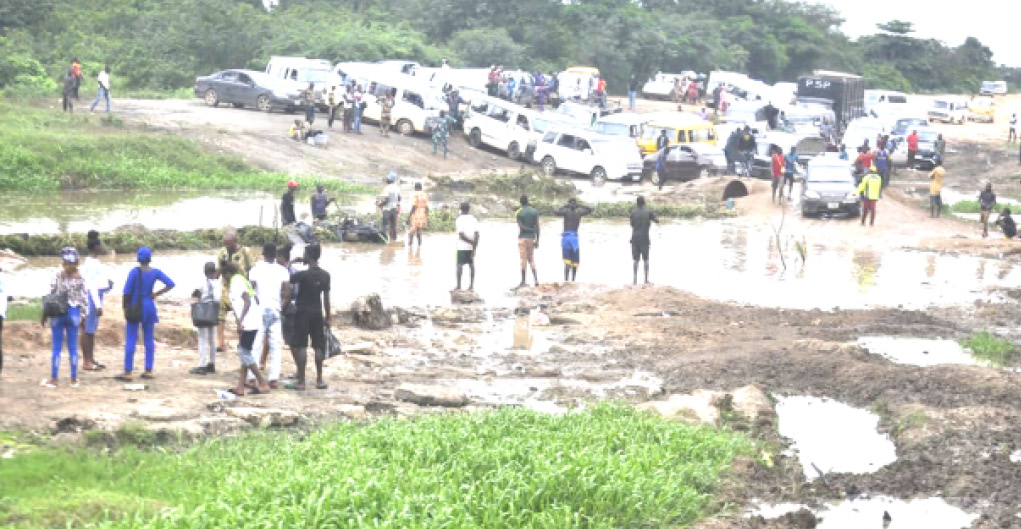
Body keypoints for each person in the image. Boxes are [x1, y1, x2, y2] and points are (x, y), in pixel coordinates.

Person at [116, 246, 175, 382]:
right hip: (149, 307)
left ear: (138, 259)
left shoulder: (134, 273)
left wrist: (125, 307)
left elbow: (126, 292)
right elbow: (171, 284)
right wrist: (156, 294)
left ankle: (128, 371)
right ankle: (148, 370)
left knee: (131, 338)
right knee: (149, 339)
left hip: (135, 306)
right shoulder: (155, 272)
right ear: (150, 259)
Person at [40, 247, 88, 388]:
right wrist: (84, 318)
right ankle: (73, 379)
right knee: (73, 347)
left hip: (57, 313)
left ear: (63, 262)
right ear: (77, 262)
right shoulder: (81, 278)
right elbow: (84, 299)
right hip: (73, 312)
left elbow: (49, 294)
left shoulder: (57, 275)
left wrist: (44, 314)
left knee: (56, 347)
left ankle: (54, 379)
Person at [222, 261, 271, 396]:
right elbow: (256, 299)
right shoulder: (243, 279)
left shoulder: (236, 281)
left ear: (227, 274)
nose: (223, 279)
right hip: (253, 320)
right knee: (245, 352)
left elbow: (247, 301)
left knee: (244, 352)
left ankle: (262, 382)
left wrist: (240, 321)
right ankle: (240, 386)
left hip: (248, 322)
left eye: (223, 276)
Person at [248, 244, 292, 389]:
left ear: (263, 253)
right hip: (275, 311)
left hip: (259, 310)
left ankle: (251, 377)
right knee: (275, 345)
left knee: (256, 344)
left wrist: (254, 305)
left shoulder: (255, 269)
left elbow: (250, 290)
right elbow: (287, 293)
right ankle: (273, 378)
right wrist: (281, 307)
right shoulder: (282, 270)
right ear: (275, 255)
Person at [288, 244, 331, 391]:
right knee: (318, 346)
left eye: (305, 254)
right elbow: (326, 298)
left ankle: (301, 381)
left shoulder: (303, 275)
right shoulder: (325, 275)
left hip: (302, 313)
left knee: (301, 346)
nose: (303, 257)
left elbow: (287, 277)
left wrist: (292, 262)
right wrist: (328, 316)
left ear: (308, 256)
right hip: (317, 313)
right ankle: (319, 379)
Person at [216, 231, 255, 353]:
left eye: (229, 244)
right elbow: (218, 271)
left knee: (240, 316)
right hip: (225, 288)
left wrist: (250, 288)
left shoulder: (245, 252)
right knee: (220, 316)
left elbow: (252, 270)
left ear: (235, 242)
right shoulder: (222, 253)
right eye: (225, 244)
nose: (227, 247)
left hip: (239, 288)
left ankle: (241, 342)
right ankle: (221, 343)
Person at [80, 231, 112, 372]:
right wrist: (98, 305)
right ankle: (87, 361)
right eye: (100, 245)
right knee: (87, 330)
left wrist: (107, 286)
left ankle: (91, 359)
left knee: (90, 330)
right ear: (96, 247)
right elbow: (91, 285)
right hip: (91, 298)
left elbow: (97, 283)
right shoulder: (92, 264)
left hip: (95, 295)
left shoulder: (92, 262)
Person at [190, 262, 220, 375]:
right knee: (212, 339)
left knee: (202, 339)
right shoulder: (218, 283)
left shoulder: (202, 282)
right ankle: (211, 363)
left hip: (203, 311)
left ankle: (202, 365)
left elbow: (195, 294)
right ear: (215, 271)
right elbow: (217, 299)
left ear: (204, 272)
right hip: (213, 311)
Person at [554, 198, 593, 282]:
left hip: (566, 239)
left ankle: (566, 280)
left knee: (567, 262)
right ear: (576, 206)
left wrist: (565, 206)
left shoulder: (566, 212)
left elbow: (555, 210)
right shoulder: (578, 214)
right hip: (574, 240)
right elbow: (591, 209)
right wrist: (580, 205)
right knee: (575, 262)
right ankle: (573, 280)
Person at [629, 197, 659, 285]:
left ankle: (634, 281)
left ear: (637, 203)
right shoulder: (648, 212)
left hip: (634, 239)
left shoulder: (633, 212)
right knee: (646, 259)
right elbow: (657, 221)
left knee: (635, 260)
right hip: (645, 239)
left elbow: (632, 225)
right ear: (644, 203)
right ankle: (646, 280)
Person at [516, 195, 540, 288]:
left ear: (520, 202)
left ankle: (523, 281)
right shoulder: (534, 211)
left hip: (522, 238)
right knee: (531, 259)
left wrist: (529, 229)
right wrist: (537, 239)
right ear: (528, 201)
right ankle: (536, 280)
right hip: (531, 238)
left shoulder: (519, 212)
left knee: (523, 259)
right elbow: (537, 226)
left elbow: (521, 227)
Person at [455, 202, 480, 291]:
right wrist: (474, 246)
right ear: (469, 209)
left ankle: (458, 286)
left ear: (461, 209)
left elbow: (461, 235)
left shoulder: (459, 219)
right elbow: (477, 234)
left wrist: (471, 242)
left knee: (459, 264)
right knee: (471, 264)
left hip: (462, 246)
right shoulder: (474, 219)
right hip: (471, 247)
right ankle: (471, 286)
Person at [379, 171, 401, 242]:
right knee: (393, 226)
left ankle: (384, 240)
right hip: (394, 209)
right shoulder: (397, 188)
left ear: (389, 180)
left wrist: (380, 204)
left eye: (387, 178)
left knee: (384, 225)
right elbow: (399, 198)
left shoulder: (387, 188)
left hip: (387, 209)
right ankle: (394, 241)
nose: (386, 179)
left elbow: (386, 200)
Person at [408, 182, 429, 248]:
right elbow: (427, 207)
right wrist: (426, 215)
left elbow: (414, 206)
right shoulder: (424, 194)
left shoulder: (415, 194)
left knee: (411, 231)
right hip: (423, 214)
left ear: (415, 188)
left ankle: (410, 246)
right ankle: (419, 246)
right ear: (421, 187)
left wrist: (409, 216)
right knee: (419, 231)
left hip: (416, 213)